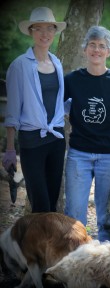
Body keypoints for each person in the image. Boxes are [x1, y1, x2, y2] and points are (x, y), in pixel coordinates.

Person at [64, 25, 110, 245]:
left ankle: (106, 264)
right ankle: (76, 264)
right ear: (85, 49)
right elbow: (57, 111)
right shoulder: (71, 80)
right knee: (74, 216)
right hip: (79, 154)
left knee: (107, 217)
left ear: (108, 51)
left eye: (102, 46)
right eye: (92, 45)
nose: (97, 50)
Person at [2, 7, 66, 212]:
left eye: (49, 28)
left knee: (53, 200)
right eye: (38, 29)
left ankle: (48, 244)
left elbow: (58, 101)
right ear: (30, 32)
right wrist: (10, 149)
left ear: (55, 32)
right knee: (40, 203)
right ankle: (37, 244)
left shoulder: (57, 63)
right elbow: (12, 109)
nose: (44, 34)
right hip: (32, 140)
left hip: (56, 139)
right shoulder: (19, 65)